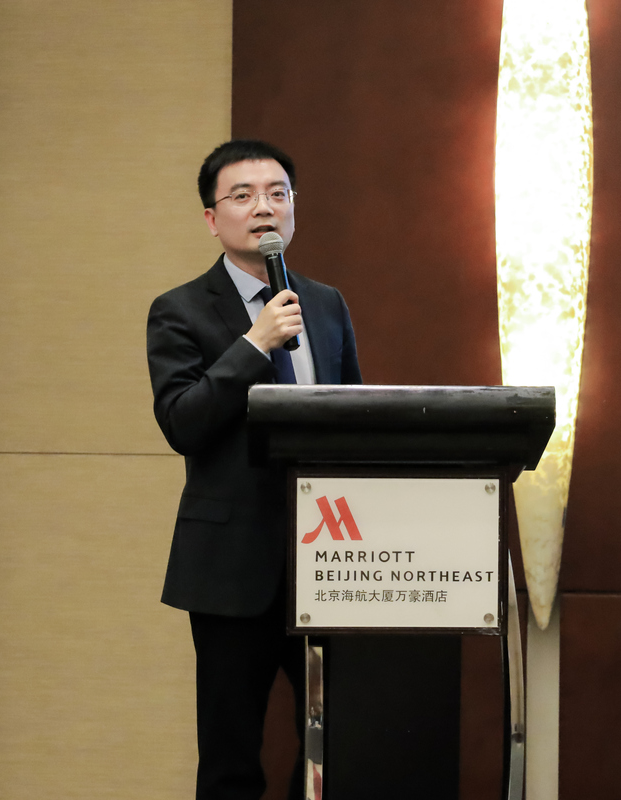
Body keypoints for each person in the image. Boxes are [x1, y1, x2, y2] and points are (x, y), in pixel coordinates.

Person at [146, 139, 363, 800]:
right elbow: (183, 422)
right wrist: (253, 344)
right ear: (212, 218)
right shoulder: (179, 309)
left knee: (337, 749)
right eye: (242, 196)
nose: (263, 207)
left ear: (293, 208)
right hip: (230, 567)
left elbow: (356, 420)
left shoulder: (325, 303)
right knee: (231, 760)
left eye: (277, 194)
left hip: (331, 560)